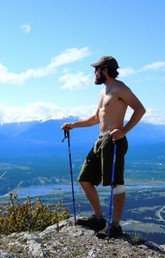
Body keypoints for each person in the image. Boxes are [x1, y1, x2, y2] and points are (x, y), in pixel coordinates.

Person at [61, 55, 145, 238]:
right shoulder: (104, 92)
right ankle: (99, 218)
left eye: (96, 69)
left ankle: (114, 225)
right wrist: (72, 125)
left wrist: (124, 131)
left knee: (116, 183)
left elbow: (140, 109)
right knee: (85, 178)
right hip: (100, 140)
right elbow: (95, 118)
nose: (94, 73)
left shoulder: (120, 88)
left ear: (105, 69)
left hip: (113, 141)